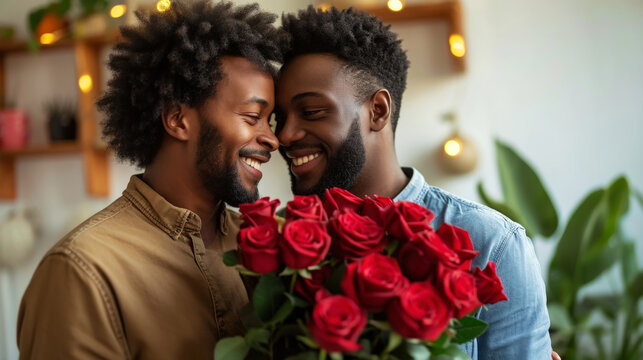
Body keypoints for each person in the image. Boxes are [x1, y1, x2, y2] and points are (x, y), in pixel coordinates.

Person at [275, 6, 552, 359]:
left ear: (378, 111)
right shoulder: (282, 245)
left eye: (311, 112)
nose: (284, 135)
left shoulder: (492, 244)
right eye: (278, 118)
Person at [17, 1, 280, 358]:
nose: (272, 139)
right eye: (252, 116)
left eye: (270, 120)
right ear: (177, 119)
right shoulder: (84, 270)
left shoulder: (270, 244)